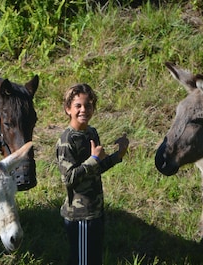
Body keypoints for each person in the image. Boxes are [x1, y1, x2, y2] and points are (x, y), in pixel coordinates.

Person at [56, 83, 129, 265]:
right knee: (82, 261)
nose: (83, 110)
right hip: (79, 215)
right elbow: (69, 178)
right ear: (68, 109)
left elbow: (97, 167)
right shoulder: (66, 141)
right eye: (78, 106)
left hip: (95, 210)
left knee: (94, 259)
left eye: (88, 105)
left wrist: (118, 155)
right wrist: (93, 159)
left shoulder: (91, 132)